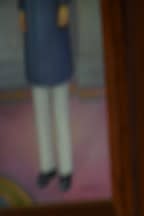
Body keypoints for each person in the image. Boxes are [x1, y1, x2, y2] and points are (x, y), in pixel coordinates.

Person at [19, 0, 74, 191]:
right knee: (41, 115)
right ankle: (47, 166)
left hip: (55, 43)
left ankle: (66, 170)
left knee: (60, 114)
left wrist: (65, 5)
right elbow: (22, 15)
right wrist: (21, 10)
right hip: (34, 45)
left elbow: (64, 14)